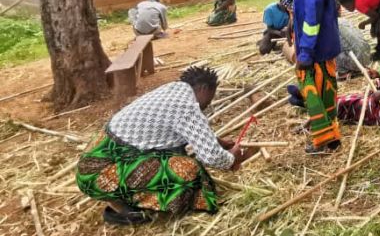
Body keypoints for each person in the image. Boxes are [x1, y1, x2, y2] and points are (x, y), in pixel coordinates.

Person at [75, 67, 258, 226]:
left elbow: (178, 131)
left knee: (176, 156)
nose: (208, 104)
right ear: (203, 88)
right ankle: (126, 205)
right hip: (99, 173)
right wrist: (232, 156)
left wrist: (218, 141)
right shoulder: (186, 106)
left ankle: (122, 196)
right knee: (188, 170)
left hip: (94, 167)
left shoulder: (172, 91)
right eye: (210, 98)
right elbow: (212, 157)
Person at [259, 0, 342, 153]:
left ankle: (324, 140)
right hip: (312, 38)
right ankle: (331, 137)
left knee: (313, 87)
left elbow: (314, 8)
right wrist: (290, 26)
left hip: (316, 41)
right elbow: (297, 2)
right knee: (323, 87)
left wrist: (304, 50)